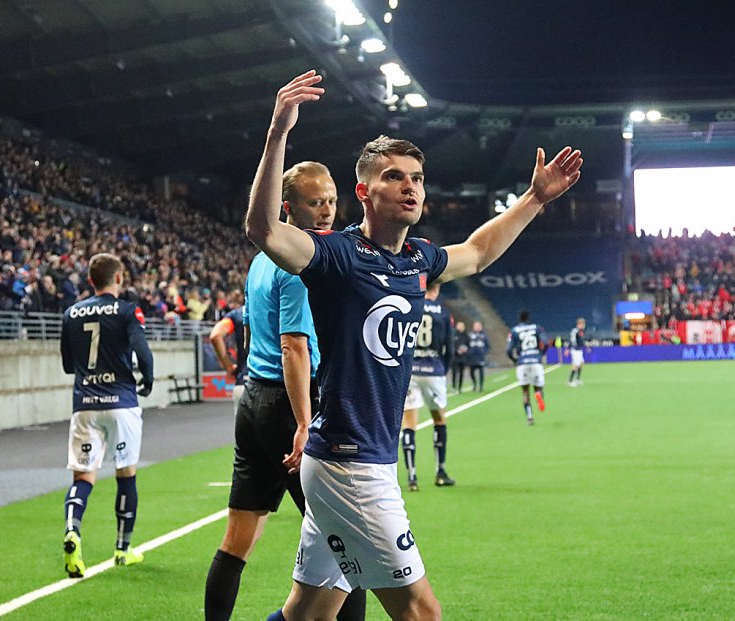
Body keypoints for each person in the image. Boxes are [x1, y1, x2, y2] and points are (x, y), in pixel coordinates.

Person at [245, 70, 581, 621]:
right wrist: (278, 132)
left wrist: (535, 199)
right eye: (395, 177)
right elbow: (262, 229)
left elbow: (475, 252)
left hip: (353, 459)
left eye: (418, 178)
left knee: (307, 613)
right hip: (350, 464)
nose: (411, 186)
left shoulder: (418, 259)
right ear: (363, 192)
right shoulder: (336, 256)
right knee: (422, 611)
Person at [204, 161, 366, 621]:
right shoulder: (298, 265)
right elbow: (294, 345)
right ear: (288, 208)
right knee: (345, 538)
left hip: (254, 400)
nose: (327, 211)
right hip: (289, 404)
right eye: (316, 203)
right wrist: (303, 422)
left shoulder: (260, 259)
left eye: (332, 200)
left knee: (239, 536)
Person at [59, 253, 154, 577]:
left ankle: (73, 530)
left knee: (83, 477)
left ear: (90, 281)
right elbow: (142, 351)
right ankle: (122, 549)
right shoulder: (128, 310)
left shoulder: (71, 312)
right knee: (126, 474)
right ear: (118, 278)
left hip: (85, 405)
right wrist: (148, 379)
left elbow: (68, 365)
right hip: (121, 403)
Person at [401, 281, 455, 491]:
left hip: (412, 371)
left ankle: (412, 477)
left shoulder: (411, 304)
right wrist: (444, 369)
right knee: (439, 420)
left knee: (409, 424)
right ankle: (440, 471)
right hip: (434, 371)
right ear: (437, 288)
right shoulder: (443, 312)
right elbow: (449, 346)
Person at [208, 293, 248, 411]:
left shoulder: (237, 315)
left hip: (243, 382)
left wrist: (228, 365)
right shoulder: (277, 309)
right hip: (274, 384)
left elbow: (215, 335)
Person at [508, 310, 548, 425]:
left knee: (525, 391)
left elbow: (508, 350)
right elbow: (546, 343)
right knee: (538, 387)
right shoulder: (537, 328)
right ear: (529, 319)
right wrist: (541, 354)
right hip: (536, 361)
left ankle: (530, 418)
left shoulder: (515, 330)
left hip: (523, 363)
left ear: (519, 319)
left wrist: (515, 360)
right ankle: (539, 394)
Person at [567, 316, 591, 386]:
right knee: (575, 365)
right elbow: (572, 340)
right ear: (579, 324)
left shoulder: (581, 332)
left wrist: (586, 347)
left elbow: (581, 341)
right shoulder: (575, 331)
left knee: (581, 363)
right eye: (582, 324)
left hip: (579, 350)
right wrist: (569, 349)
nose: (584, 325)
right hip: (575, 350)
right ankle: (570, 381)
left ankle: (577, 379)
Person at [466, 321, 490, 392]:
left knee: (481, 372)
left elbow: (488, 346)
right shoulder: (470, 335)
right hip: (472, 357)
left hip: (480, 357)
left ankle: (481, 386)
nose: (477, 327)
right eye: (476, 326)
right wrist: (468, 352)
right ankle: (474, 384)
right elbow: (466, 344)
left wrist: (484, 352)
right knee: (471, 372)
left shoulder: (484, 336)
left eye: (478, 326)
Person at [451, 321, 469, 393]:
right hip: (455, 357)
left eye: (461, 326)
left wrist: (465, 350)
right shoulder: (454, 335)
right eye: (458, 326)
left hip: (463, 357)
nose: (459, 327)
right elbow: (451, 344)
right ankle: (453, 386)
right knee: (454, 372)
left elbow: (468, 345)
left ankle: (460, 387)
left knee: (461, 373)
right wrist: (456, 351)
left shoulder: (466, 336)